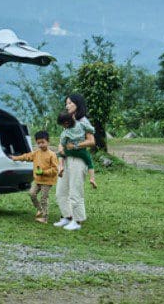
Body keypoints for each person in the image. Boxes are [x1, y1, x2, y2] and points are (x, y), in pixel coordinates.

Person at [54, 94, 98, 231]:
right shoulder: (67, 120)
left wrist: (76, 145)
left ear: (77, 104)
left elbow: (91, 141)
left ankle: (77, 221)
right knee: (61, 191)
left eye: (70, 103)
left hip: (78, 160)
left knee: (75, 191)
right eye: (66, 104)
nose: (67, 106)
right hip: (66, 159)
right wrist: (61, 151)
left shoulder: (83, 121)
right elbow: (63, 141)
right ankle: (67, 217)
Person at [11, 130, 61, 223]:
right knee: (32, 194)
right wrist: (16, 158)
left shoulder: (52, 155)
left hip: (47, 181)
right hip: (38, 180)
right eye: (39, 143)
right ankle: (40, 209)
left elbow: (55, 169)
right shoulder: (36, 153)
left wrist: (43, 172)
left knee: (43, 198)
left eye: (43, 142)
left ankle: (45, 218)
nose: (41, 145)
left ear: (48, 142)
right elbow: (27, 156)